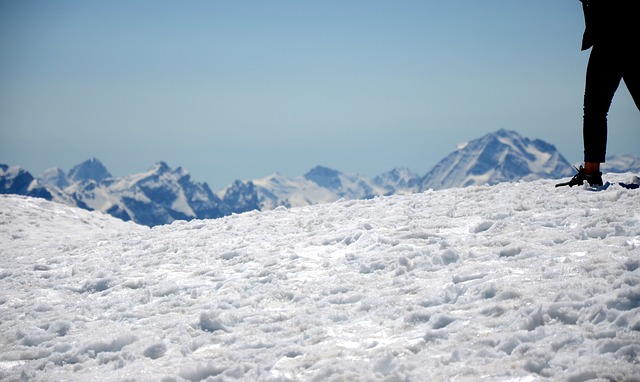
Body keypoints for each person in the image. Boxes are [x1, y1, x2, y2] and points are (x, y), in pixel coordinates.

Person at [557, 0, 640, 187]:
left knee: (595, 108)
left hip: (612, 39)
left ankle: (591, 173)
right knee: (595, 108)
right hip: (618, 38)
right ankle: (591, 172)